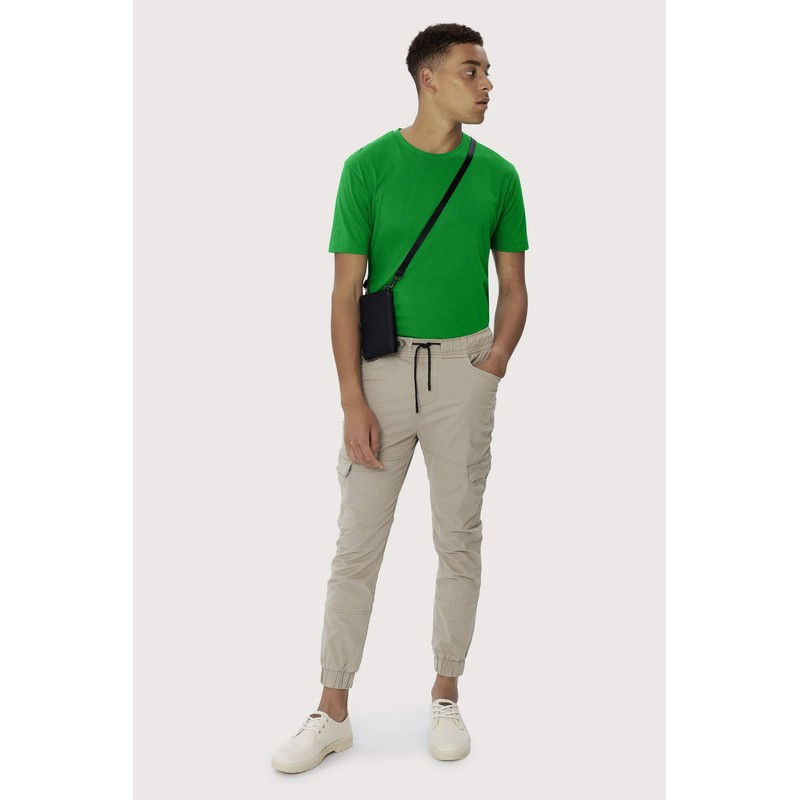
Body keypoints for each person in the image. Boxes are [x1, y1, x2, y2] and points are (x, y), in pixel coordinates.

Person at [271, 22, 529, 774]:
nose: (487, 84)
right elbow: (342, 293)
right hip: (381, 374)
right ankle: (332, 711)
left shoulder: (499, 175)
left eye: (488, 70)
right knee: (356, 546)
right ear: (428, 78)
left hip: (463, 369)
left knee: (458, 539)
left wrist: (493, 363)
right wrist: (352, 400)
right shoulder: (367, 167)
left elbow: (514, 287)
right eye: (472, 70)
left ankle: (445, 693)